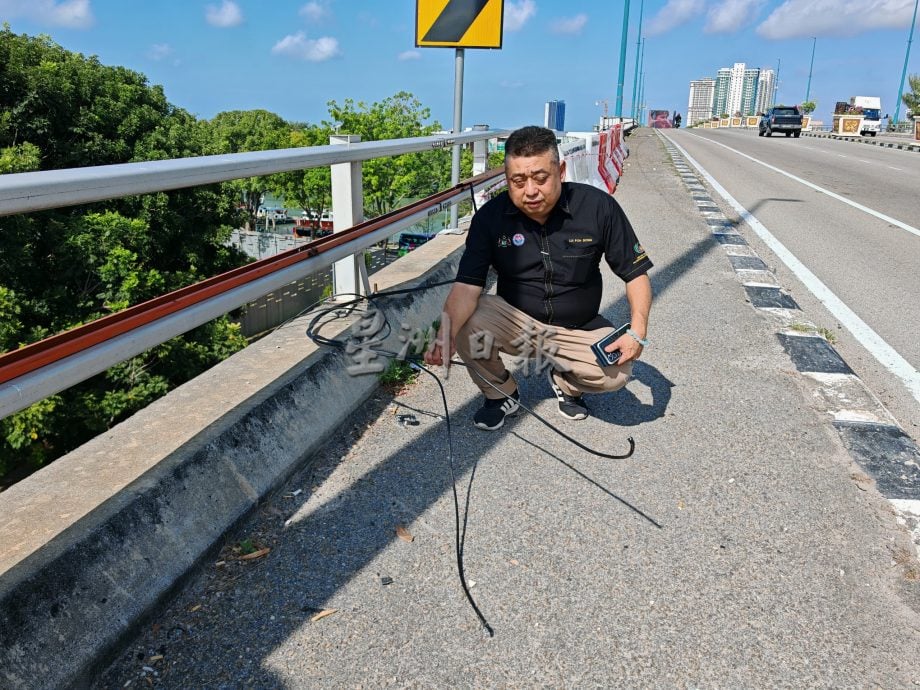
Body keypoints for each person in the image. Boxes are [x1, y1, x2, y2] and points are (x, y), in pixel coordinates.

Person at [424, 126, 653, 431]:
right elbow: (467, 287)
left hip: (577, 327)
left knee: (618, 373)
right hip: (516, 321)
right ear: (506, 179)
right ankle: (500, 394)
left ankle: (567, 383)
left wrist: (637, 332)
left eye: (540, 178)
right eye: (518, 181)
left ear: (560, 170)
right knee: (463, 319)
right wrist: (445, 336)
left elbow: (635, 273)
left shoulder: (598, 207)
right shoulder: (490, 218)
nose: (530, 191)